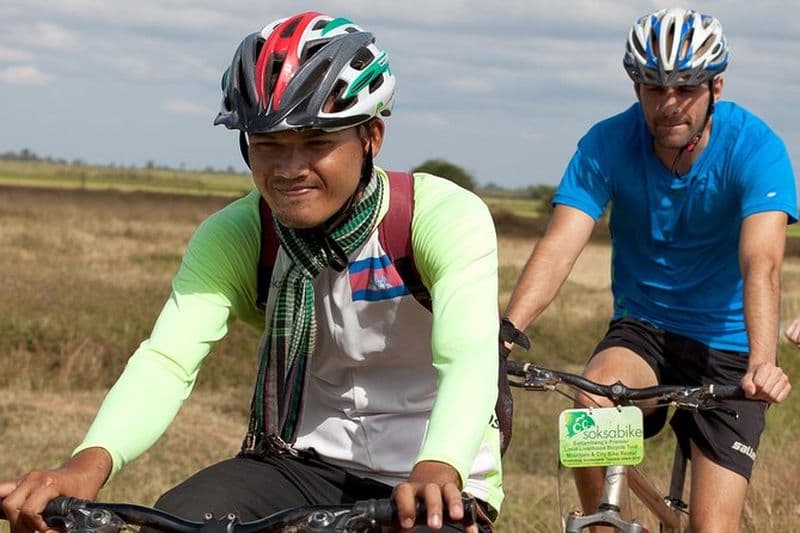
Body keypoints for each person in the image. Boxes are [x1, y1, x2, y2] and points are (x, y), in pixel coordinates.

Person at [0, 11, 502, 532]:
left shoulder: (438, 217)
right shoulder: (239, 234)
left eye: (315, 141)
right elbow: (167, 360)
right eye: (267, 144)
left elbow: (467, 356)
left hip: (436, 469)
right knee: (176, 520)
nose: (289, 169)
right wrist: (87, 465)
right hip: (301, 461)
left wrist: (440, 464)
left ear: (371, 136)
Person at [503, 7, 795, 532]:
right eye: (654, 88)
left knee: (712, 527)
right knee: (593, 403)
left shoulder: (756, 148)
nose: (669, 104)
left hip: (729, 344)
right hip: (644, 330)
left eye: (686, 88)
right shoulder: (607, 143)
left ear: (716, 86)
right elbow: (561, 244)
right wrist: (505, 333)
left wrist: (761, 363)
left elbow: (762, 262)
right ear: (636, 87)